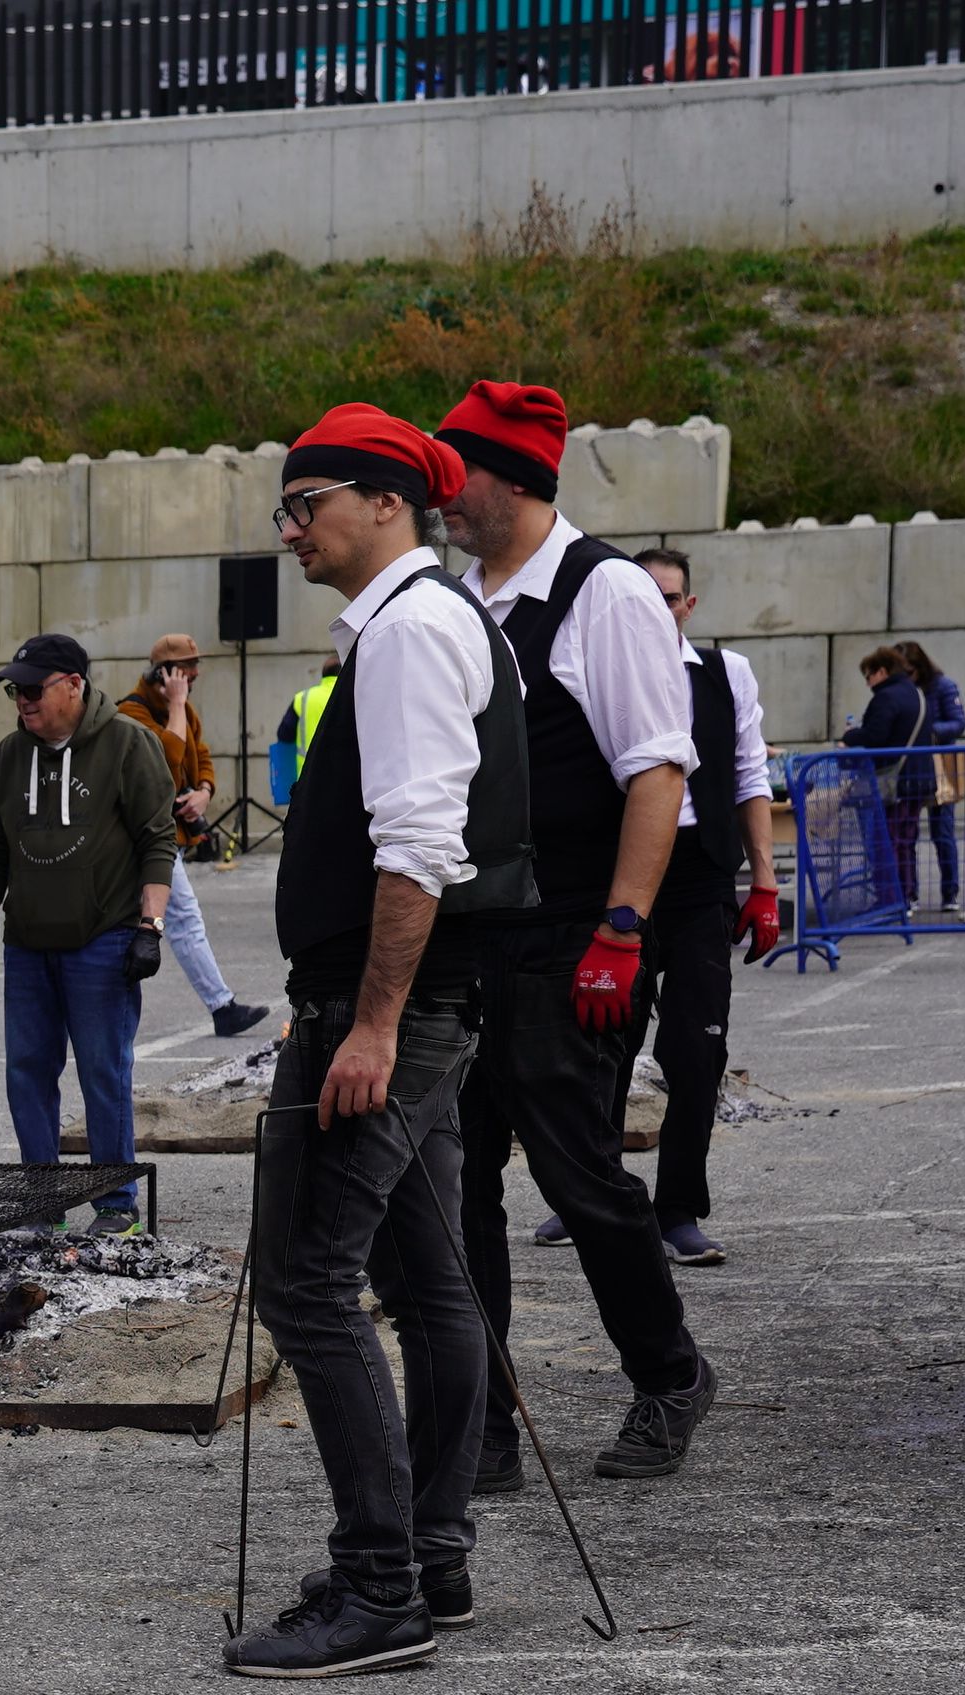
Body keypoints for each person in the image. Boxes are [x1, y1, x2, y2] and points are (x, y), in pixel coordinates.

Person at [224, 404, 522, 1681]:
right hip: (414, 1005)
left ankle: (380, 1586)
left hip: (384, 1010)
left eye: (309, 504)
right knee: (431, 1282)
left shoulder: (409, 631)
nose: (292, 530)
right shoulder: (433, 619)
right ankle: (429, 1553)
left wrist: (375, 1026)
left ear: (387, 502)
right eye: (285, 509)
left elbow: (418, 844)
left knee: (306, 1283)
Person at [433, 380, 714, 1489]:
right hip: (471, 938)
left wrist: (622, 930)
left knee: (579, 1178)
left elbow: (658, 772)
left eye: (457, 472)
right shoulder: (461, 598)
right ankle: (484, 1426)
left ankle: (671, 1375)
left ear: (513, 480)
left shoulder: (607, 593)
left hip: (568, 939)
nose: (443, 492)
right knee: (456, 1191)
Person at [0, 632, 178, 1236]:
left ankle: (116, 1203)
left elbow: (158, 842)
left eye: (33, 689)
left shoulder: (128, 743)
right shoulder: (9, 757)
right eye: (15, 691)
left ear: (74, 685)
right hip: (28, 945)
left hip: (102, 939)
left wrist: (150, 927)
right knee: (27, 1071)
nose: (23, 700)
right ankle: (42, 1200)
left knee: (103, 1071)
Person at [629, 546, 776, 1266]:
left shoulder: (726, 674)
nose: (658, 609)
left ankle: (678, 1208)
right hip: (622, 876)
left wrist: (765, 884)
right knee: (603, 1042)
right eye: (644, 596)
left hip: (699, 876)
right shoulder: (601, 671)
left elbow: (751, 776)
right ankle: (593, 1196)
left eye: (670, 597)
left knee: (697, 1046)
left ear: (688, 606)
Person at [114, 634, 275, 1037]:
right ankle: (221, 1006)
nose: (194, 675)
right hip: (143, 835)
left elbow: (199, 755)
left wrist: (203, 791)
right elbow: (165, 759)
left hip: (164, 833)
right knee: (180, 919)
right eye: (187, 669)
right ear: (164, 673)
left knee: (159, 921)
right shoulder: (131, 714)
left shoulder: (184, 710)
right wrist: (175, 705)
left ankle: (220, 1007)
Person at [845, 645, 929, 901]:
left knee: (886, 842)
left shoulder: (886, 697)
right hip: (918, 779)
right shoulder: (916, 693)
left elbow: (875, 736)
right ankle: (906, 895)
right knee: (905, 841)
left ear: (882, 671)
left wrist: (850, 736)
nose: (868, 683)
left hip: (894, 781)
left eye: (868, 676)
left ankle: (891, 899)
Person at [900, 640, 965, 908]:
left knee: (942, 831)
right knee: (907, 833)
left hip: (939, 763)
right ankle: (909, 893)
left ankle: (950, 893)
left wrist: (926, 731)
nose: (906, 678)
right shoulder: (902, 690)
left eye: (909, 672)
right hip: (911, 765)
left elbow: (958, 722)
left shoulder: (943, 685)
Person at [270, 664, 339, 807]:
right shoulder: (353, 695)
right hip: (346, 776)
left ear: (323, 675)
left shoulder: (303, 698)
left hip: (308, 777)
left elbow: (284, 734)